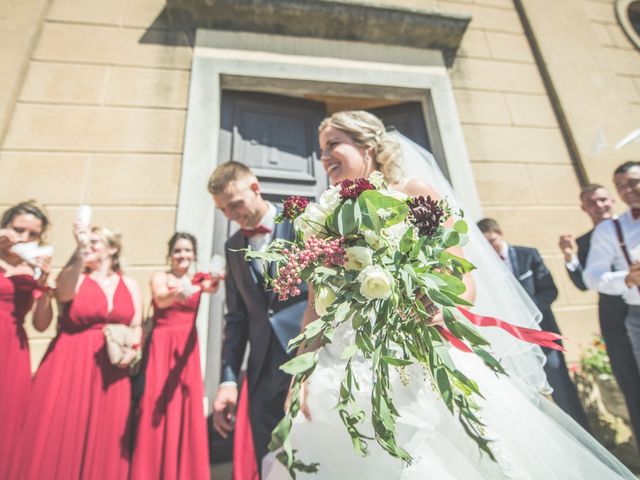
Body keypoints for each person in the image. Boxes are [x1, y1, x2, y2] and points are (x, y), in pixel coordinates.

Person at [263, 111, 635, 480]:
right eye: (321, 148)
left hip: (413, 355)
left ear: (368, 146)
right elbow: (315, 309)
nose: (324, 156)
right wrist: (302, 375)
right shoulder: (324, 217)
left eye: (333, 144)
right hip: (341, 366)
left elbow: (462, 277)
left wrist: (440, 305)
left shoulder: (413, 193)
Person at [10, 224, 142, 479]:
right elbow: (63, 291)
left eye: (96, 242)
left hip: (113, 369)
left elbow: (135, 324)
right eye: (87, 241)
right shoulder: (77, 276)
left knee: (107, 435)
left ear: (112, 248)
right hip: (71, 360)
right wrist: (79, 251)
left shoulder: (130, 283)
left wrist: (134, 350)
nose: (89, 245)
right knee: (63, 430)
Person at [208, 162, 308, 474]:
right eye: (223, 209)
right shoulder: (232, 246)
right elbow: (236, 318)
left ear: (255, 188)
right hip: (263, 373)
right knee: (273, 462)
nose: (230, 215)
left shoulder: (303, 222)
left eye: (234, 204)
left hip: (309, 361)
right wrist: (227, 380)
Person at [477, 217, 590, 430]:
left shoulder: (528, 254)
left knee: (562, 389)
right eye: (485, 244)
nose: (490, 247)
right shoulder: (484, 268)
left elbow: (550, 290)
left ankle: (587, 438)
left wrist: (525, 315)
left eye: (492, 240)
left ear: (499, 232)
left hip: (543, 334)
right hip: (512, 343)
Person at [131, 232, 221, 479]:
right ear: (170, 255)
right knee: (154, 400)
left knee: (185, 401)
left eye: (187, 251)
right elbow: (160, 298)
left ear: (194, 254)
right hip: (162, 344)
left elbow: (212, 287)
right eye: (178, 251)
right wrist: (177, 292)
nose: (183, 255)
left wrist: (216, 275)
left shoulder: (197, 279)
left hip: (186, 348)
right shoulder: (162, 277)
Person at [559, 184, 640, 443]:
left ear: (613, 200)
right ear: (585, 208)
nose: (599, 206)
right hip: (616, 318)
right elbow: (584, 282)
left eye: (603, 199)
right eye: (592, 202)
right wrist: (571, 257)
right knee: (630, 383)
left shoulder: (632, 227)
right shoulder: (585, 240)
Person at [0, 201, 53, 478]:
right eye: (18, 230)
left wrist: (44, 285)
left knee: (7, 423)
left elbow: (42, 324)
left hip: (11, 349)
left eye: (33, 235)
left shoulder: (31, 269)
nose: (24, 238)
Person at [584, 161, 640, 375]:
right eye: (620, 186)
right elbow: (592, 277)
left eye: (633, 183)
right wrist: (627, 278)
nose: (626, 190)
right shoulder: (610, 229)